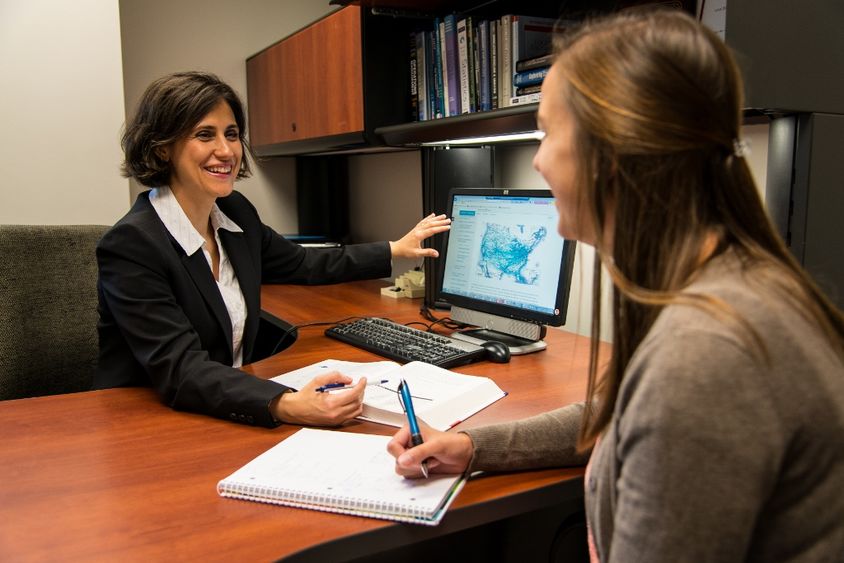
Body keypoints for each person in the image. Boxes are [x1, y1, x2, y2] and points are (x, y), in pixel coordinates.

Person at [388, 9, 844, 561]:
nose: (536, 160)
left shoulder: (704, 355)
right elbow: (613, 413)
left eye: (549, 133)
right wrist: (472, 446)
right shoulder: (715, 286)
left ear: (614, 151)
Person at [95, 71, 450, 428]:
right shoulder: (133, 245)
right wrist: (286, 404)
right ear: (162, 148)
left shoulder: (235, 214)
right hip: (148, 421)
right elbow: (181, 368)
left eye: (231, 134)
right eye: (205, 135)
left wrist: (394, 249)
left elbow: (303, 263)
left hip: (223, 405)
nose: (226, 150)